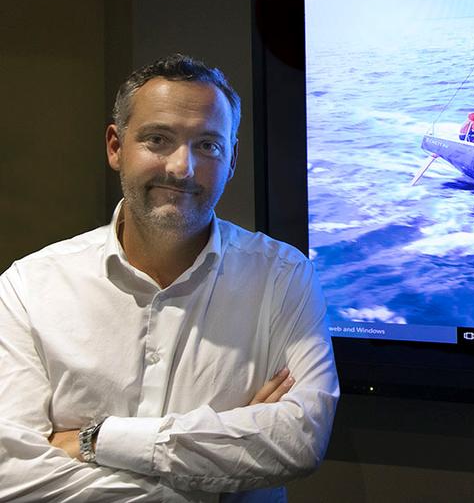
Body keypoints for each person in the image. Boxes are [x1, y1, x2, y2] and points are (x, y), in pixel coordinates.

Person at [0, 54, 340, 501]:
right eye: (158, 139)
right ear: (115, 147)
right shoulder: (29, 287)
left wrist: (96, 441)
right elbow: (11, 473)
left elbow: (300, 440)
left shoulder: (282, 277)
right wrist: (209, 482)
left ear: (232, 159)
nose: (182, 168)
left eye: (208, 146)